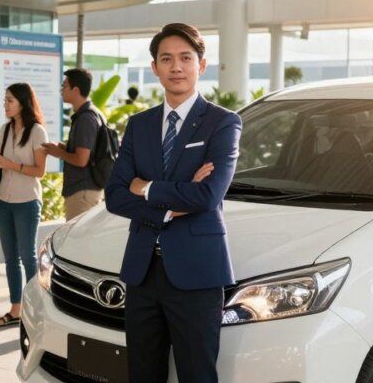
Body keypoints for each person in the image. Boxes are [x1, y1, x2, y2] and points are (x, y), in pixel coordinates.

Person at [105, 23, 242, 383]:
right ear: (155, 67)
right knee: (142, 374)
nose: (176, 67)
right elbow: (115, 195)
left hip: (197, 275)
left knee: (197, 375)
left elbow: (208, 195)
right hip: (142, 271)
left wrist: (146, 188)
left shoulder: (223, 123)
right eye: (166, 59)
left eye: (185, 58)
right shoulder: (139, 125)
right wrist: (172, 202)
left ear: (201, 64)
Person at [0, 83, 48, 328]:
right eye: (5, 100)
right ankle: (15, 309)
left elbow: (40, 171)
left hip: (27, 201)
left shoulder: (37, 132)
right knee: (10, 258)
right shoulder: (4, 129)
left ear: (23, 103)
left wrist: (9, 164)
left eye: (9, 100)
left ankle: (36, 309)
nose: (5, 104)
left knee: (27, 256)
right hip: (4, 200)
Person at [42, 68, 103, 220]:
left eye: (64, 86)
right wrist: (64, 148)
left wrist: (59, 153)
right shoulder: (90, 114)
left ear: (75, 90)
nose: (62, 90)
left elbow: (81, 160)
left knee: (79, 242)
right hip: (84, 190)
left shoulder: (85, 118)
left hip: (82, 192)